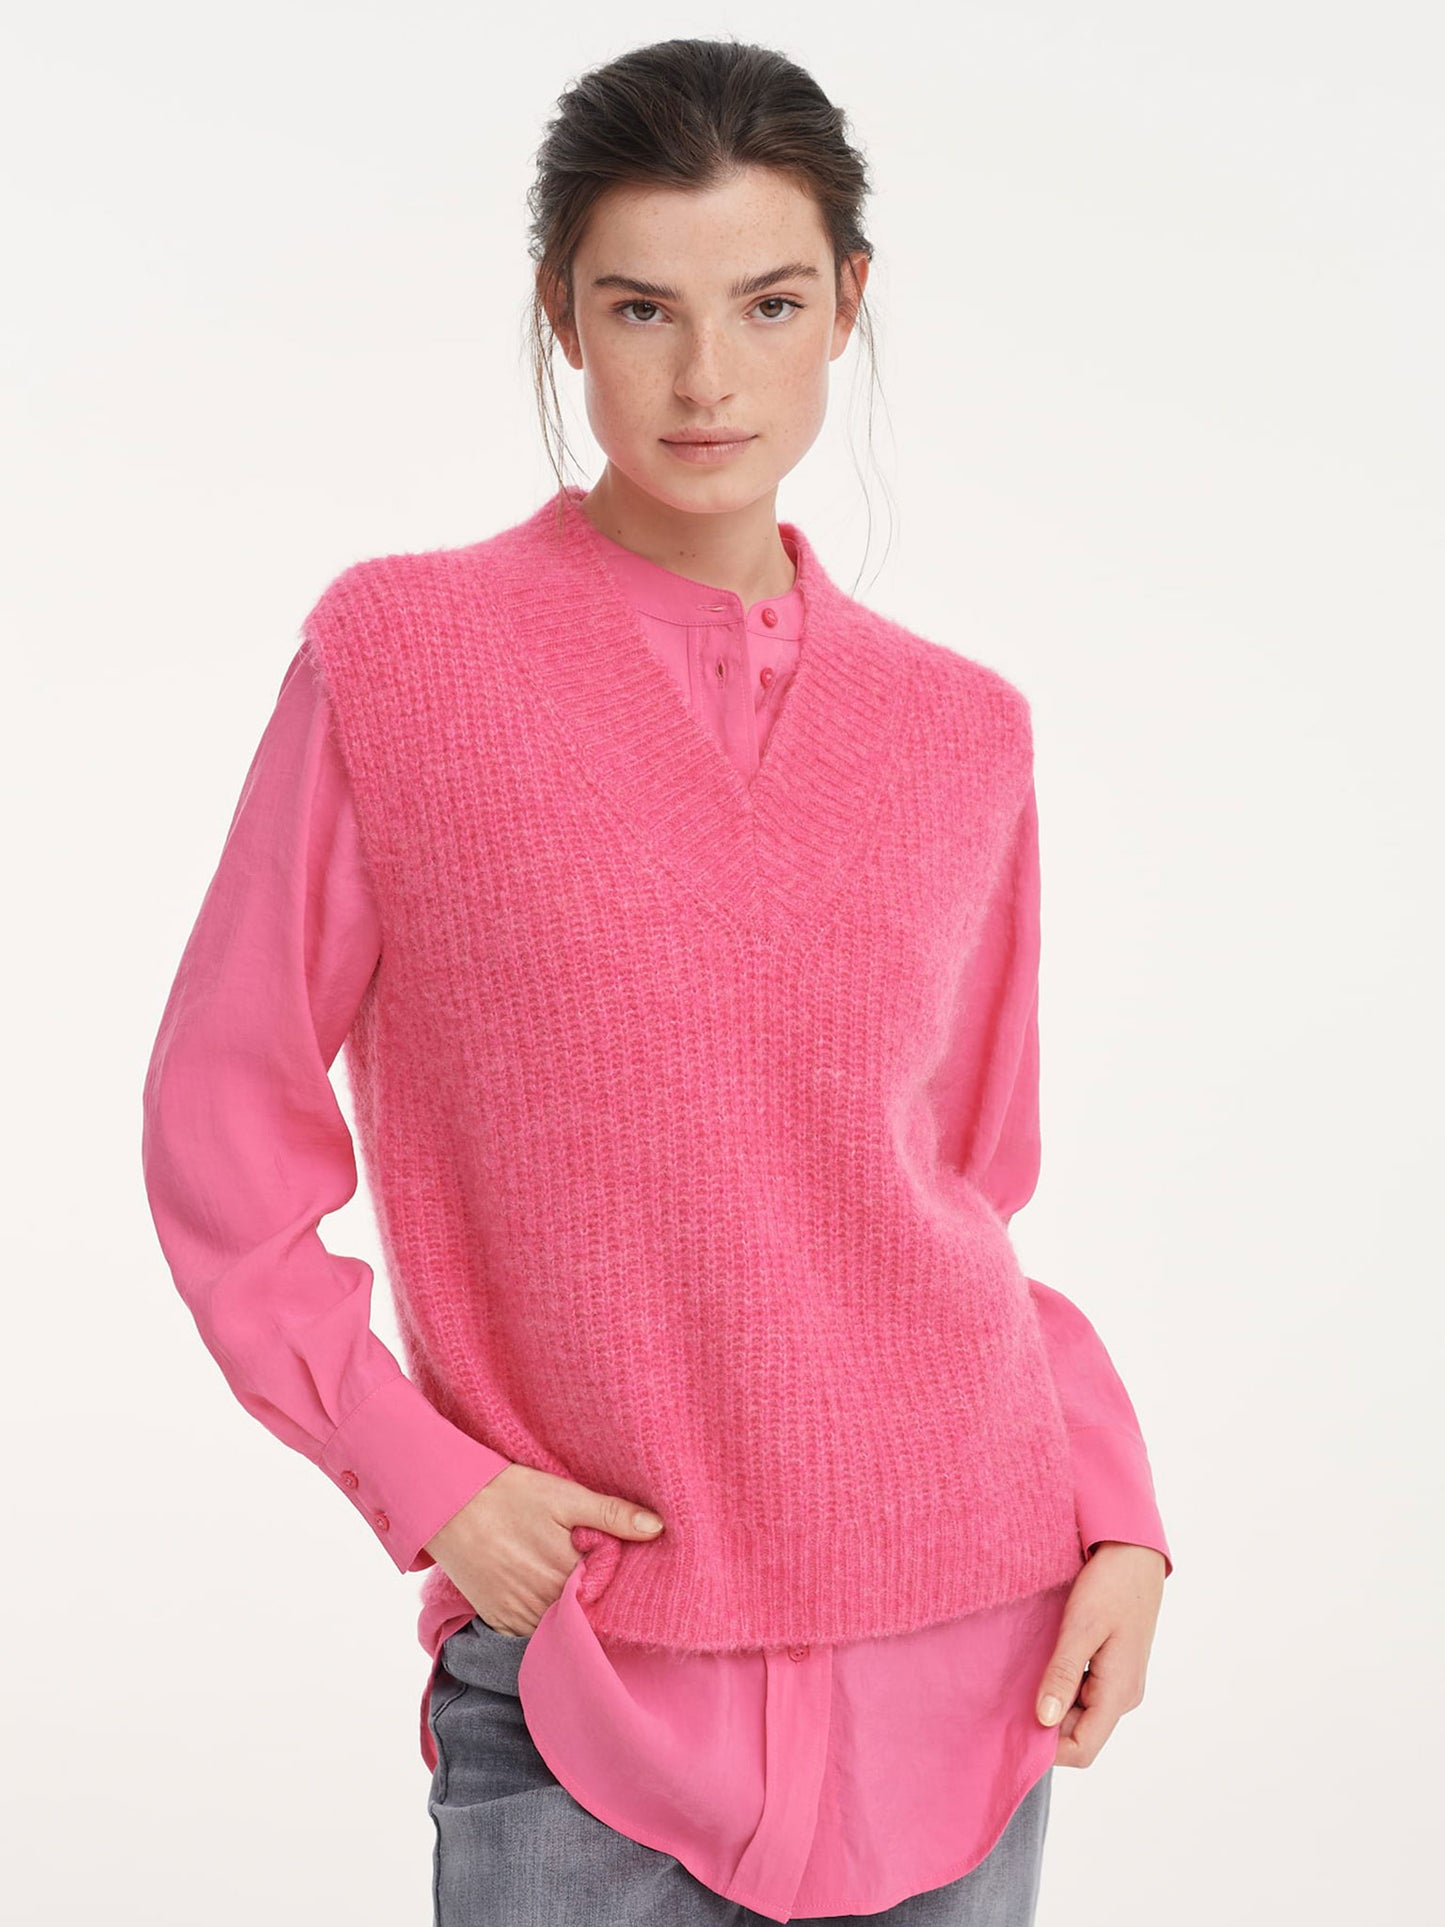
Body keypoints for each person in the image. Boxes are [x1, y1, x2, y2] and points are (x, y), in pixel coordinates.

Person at [141, 35, 1171, 1927]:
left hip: (970, 1642)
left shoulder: (960, 733)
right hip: (590, 1664)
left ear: (847, 304)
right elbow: (224, 1143)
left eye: (767, 303)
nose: (707, 377)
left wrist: (1118, 1515)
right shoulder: (401, 662)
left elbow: (963, 1195)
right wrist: (424, 1477)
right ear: (560, 313)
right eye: (642, 308)